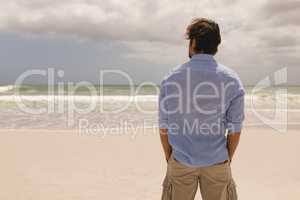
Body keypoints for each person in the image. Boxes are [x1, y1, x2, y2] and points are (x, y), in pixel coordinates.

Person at [159, 18, 245, 200]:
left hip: (181, 160)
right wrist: (226, 158)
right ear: (216, 46)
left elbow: (164, 126)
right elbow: (235, 130)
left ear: (193, 43)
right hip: (217, 161)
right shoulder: (232, 80)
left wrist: (169, 157)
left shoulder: (171, 79)